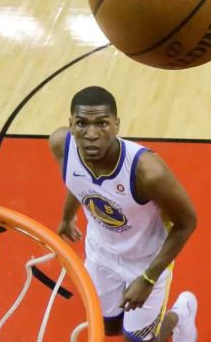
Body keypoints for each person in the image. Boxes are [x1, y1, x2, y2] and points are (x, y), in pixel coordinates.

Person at [48, 86, 198, 342]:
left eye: (102, 123)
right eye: (82, 123)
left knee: (138, 340)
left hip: (145, 261)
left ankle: (180, 313)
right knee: (109, 329)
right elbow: (77, 181)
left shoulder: (147, 172)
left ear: (117, 125)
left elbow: (187, 223)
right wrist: (67, 217)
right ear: (71, 124)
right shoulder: (62, 144)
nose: (91, 134)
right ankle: (170, 318)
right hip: (101, 255)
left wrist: (148, 278)